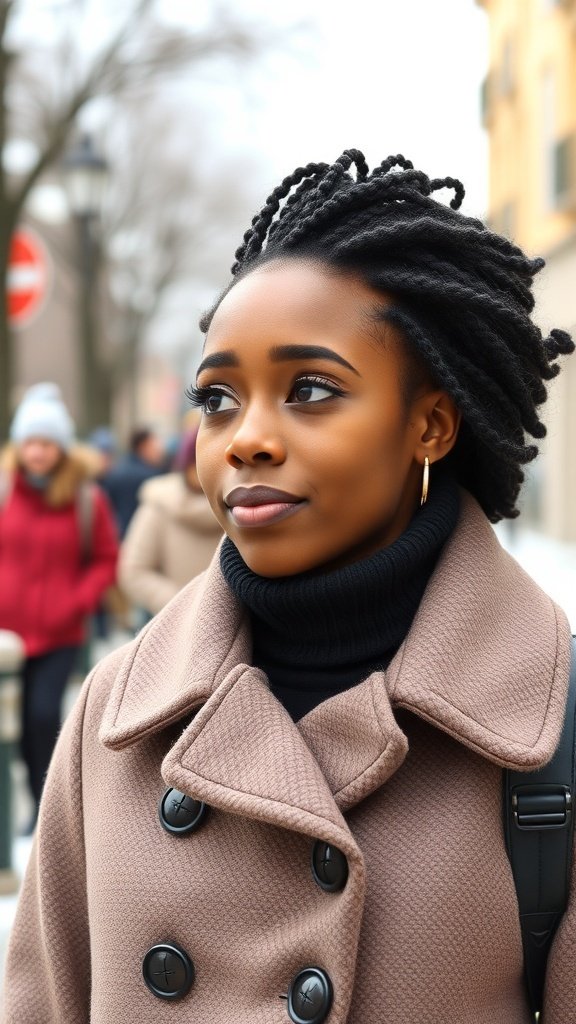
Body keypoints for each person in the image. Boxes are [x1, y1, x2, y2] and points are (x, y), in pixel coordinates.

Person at [2, 151, 576, 1023]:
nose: (246, 439)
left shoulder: (550, 728)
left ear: (429, 424)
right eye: (218, 400)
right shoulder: (117, 715)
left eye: (310, 390)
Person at [0, 383, 118, 828]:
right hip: (6, 635)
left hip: (60, 631)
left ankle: (47, 806)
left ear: (62, 447)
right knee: (13, 724)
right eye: (30, 441)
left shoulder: (87, 500)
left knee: (44, 715)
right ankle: (26, 801)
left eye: (46, 442)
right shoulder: (4, 492)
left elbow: (106, 558)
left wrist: (78, 601)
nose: (37, 451)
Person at [118, 429, 222, 618]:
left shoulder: (239, 507)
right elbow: (133, 569)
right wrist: (183, 604)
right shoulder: (160, 504)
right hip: (172, 622)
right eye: (196, 462)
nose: (203, 470)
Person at [101, 425, 165, 538]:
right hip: (144, 537)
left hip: (119, 536)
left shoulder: (116, 472)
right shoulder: (152, 477)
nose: (160, 452)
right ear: (143, 446)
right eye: (155, 447)